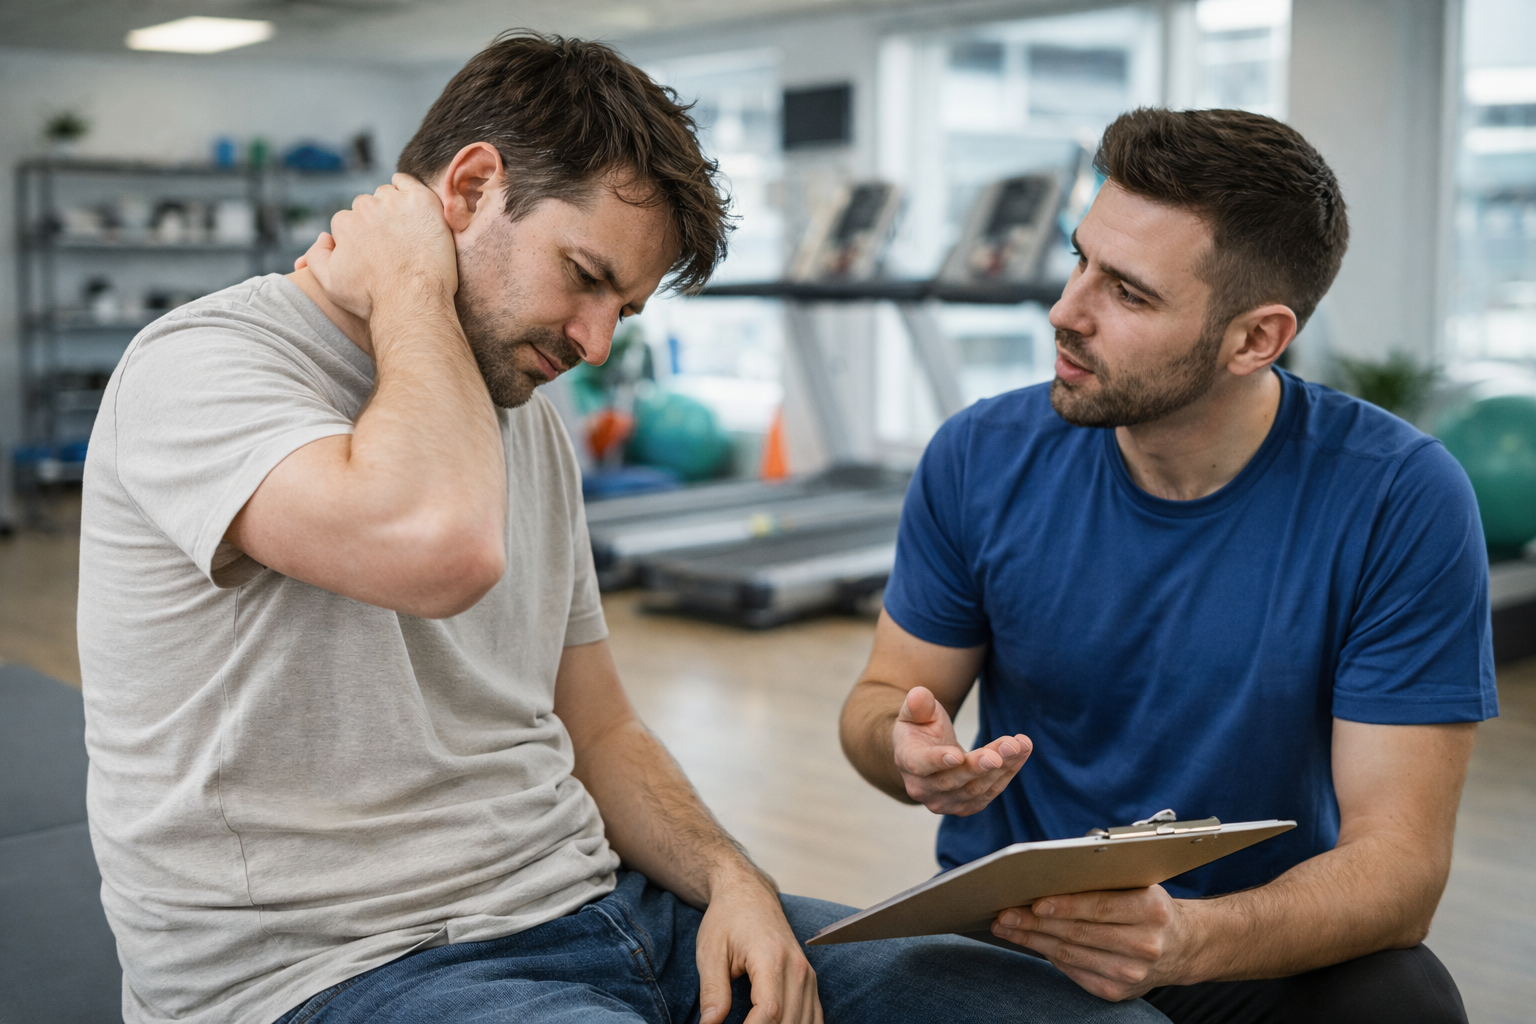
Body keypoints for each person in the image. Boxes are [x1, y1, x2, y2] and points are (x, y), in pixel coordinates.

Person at [77, 32, 1172, 1024]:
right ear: (467, 188)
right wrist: (411, 279)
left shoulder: (527, 421)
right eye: (585, 278)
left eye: (625, 310)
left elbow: (599, 732)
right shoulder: (203, 366)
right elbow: (438, 548)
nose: (596, 341)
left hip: (609, 915)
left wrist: (734, 880)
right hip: (339, 970)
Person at [840, 107, 1495, 1024]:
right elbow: (882, 701)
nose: (1067, 311)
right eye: (1080, 260)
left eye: (1129, 294)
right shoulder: (978, 454)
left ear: (1255, 340)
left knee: (1404, 1000)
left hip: (1248, 930)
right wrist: (909, 752)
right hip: (1025, 935)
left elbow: (1401, 869)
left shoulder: (1399, 497)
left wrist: (1187, 942)